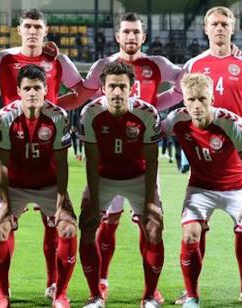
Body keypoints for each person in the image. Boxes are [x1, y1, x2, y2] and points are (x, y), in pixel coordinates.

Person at [58, 13, 182, 304]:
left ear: (143, 36)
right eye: (126, 32)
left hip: (139, 154)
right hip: (106, 168)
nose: (131, 37)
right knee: (103, 223)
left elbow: (184, 80)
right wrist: (49, 103)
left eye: (136, 32)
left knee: (150, 222)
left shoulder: (156, 65)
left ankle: (150, 292)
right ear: (117, 36)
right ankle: (99, 284)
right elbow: (83, 92)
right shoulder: (103, 69)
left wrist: (155, 104)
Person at [0, 9, 83, 300]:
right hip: (14, 142)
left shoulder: (58, 59)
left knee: (56, 224)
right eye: (27, 26)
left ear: (46, 30)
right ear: (19, 29)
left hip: (48, 149)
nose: (32, 31)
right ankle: (1, 292)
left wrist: (53, 107)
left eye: (37, 26)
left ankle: (56, 287)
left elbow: (81, 91)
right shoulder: (4, 58)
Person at [159, 7, 242, 304]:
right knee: (195, 230)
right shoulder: (195, 64)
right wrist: (143, 104)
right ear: (206, 28)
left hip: (236, 151)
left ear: (233, 28)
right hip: (199, 143)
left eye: (225, 23)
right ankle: (191, 291)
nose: (220, 28)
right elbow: (177, 97)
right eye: (215, 24)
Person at [163, 73, 242, 308]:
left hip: (236, 189)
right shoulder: (175, 120)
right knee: (189, 235)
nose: (196, 106)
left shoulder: (231, 122)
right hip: (200, 189)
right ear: (184, 101)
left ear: (212, 99)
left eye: (202, 99)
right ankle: (191, 297)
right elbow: (152, 135)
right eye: (191, 100)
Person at [0, 64, 77, 308]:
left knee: (68, 228)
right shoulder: (5, 116)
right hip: (15, 185)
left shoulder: (58, 116)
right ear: (18, 90)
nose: (32, 93)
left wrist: (61, 202)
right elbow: (1, 163)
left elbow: (62, 163)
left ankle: (60, 295)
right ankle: (1, 294)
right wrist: (5, 202)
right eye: (27, 88)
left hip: (48, 184)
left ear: (46, 90)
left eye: (37, 88)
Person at [79, 61, 163, 308]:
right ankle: (96, 296)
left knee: (155, 228)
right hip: (104, 177)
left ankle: (149, 297)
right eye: (112, 86)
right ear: (103, 88)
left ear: (132, 88)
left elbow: (152, 159)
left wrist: (150, 202)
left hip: (138, 177)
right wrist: (93, 203)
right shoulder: (91, 113)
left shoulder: (147, 113)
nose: (117, 92)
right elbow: (92, 161)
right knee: (86, 226)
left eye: (122, 86)